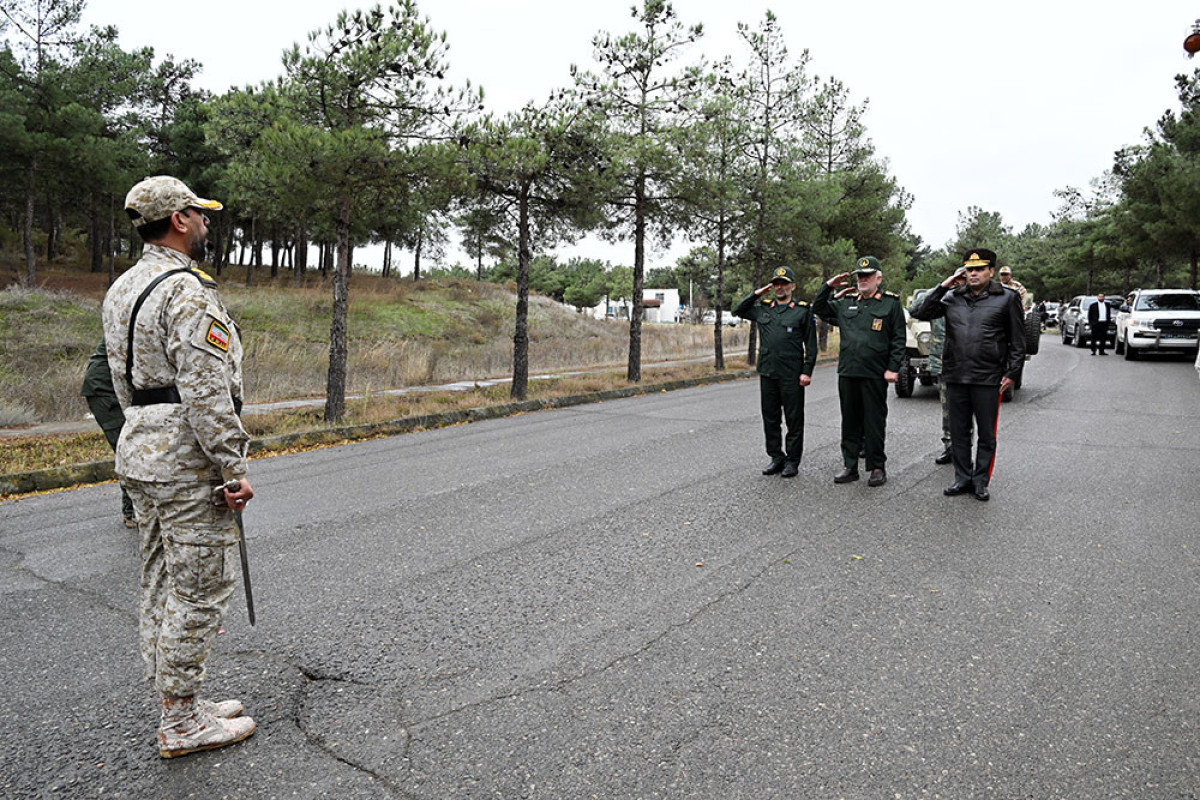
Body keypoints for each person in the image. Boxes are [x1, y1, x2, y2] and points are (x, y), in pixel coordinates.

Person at [102, 176, 256, 759]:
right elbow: (206, 389)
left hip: (141, 446)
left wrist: (144, 432)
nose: (208, 222)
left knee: (161, 578)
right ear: (179, 220)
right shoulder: (187, 291)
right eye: (200, 213)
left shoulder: (123, 287)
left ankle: (180, 699)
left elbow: (120, 381)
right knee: (200, 587)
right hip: (187, 457)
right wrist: (231, 464)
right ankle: (181, 721)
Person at [913, 249, 1025, 501]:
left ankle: (981, 481)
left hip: (988, 377)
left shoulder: (1007, 298)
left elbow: (1018, 340)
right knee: (959, 432)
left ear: (991, 271)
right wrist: (943, 286)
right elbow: (920, 311)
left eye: (978, 269)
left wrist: (1012, 373)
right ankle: (962, 478)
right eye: (969, 269)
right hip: (955, 375)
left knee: (986, 434)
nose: (972, 273)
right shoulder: (952, 297)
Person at [812, 256, 906, 487]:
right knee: (850, 421)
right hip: (849, 372)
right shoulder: (845, 303)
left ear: (878, 278)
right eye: (860, 276)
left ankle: (876, 467)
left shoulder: (890, 304)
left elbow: (898, 339)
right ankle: (850, 466)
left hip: (875, 373)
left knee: (874, 421)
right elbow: (819, 309)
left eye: (868, 275)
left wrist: (893, 368)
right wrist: (828, 286)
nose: (863, 280)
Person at [734, 266, 818, 478]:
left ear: (792, 286)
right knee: (770, 418)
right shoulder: (764, 308)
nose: (779, 287)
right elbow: (739, 310)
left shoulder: (802, 310)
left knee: (793, 419)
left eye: (784, 283)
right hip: (768, 372)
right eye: (776, 284)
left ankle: (792, 461)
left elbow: (811, 343)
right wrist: (757, 293)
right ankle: (776, 457)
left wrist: (807, 371)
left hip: (792, 374)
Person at [80, 339, 136, 527]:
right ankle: (132, 512)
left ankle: (134, 509)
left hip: (117, 388)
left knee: (131, 447)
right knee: (128, 449)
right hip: (105, 391)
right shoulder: (130, 318)